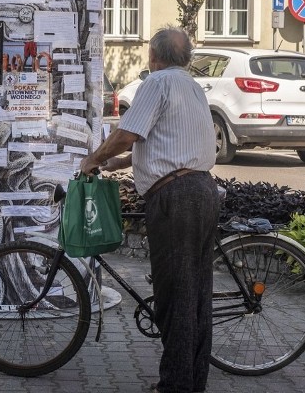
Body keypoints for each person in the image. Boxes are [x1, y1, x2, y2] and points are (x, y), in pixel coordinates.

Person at [79, 26, 219, 393]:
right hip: (202, 189)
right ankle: (193, 380)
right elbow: (163, 142)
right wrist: (114, 165)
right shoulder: (192, 87)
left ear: (154, 57)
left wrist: (93, 159)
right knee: (197, 294)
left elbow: (128, 133)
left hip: (176, 198)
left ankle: (174, 385)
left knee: (176, 296)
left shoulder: (155, 84)